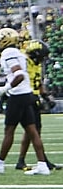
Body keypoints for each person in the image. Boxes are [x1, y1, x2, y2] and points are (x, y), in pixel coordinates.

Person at [0, 28, 51, 176]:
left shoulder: (9, 53)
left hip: (18, 96)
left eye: (0, 40)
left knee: (9, 131)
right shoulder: (17, 52)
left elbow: (19, 75)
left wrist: (3, 89)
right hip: (27, 95)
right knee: (32, 132)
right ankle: (42, 164)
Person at [15, 39, 59, 171]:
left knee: (32, 131)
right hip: (26, 98)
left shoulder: (35, 64)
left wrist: (46, 96)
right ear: (34, 54)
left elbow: (38, 82)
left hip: (33, 98)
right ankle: (42, 160)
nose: (42, 59)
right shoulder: (24, 62)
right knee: (33, 131)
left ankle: (22, 161)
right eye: (41, 56)